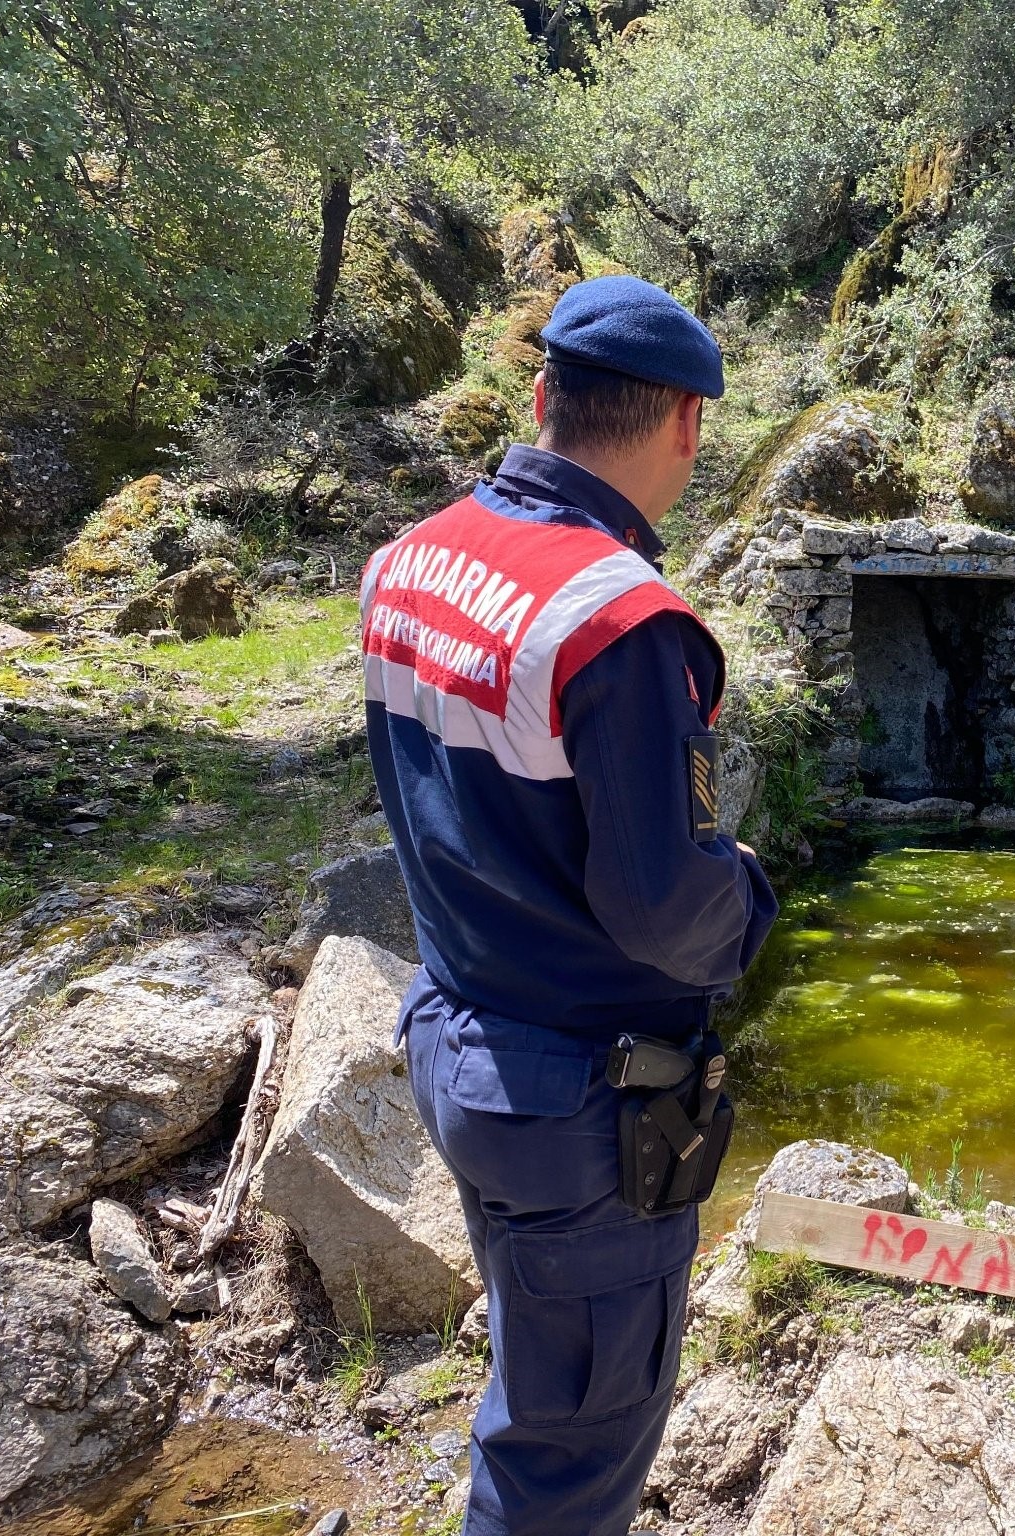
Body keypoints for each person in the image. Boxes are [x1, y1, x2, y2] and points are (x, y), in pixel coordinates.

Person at [361, 273, 777, 1536]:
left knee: (537, 1378)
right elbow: (666, 907)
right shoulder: (618, 619)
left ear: (540, 396)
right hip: (582, 1102)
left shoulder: (406, 562)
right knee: (569, 1463)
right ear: (687, 430)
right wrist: (750, 897)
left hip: (457, 1040)